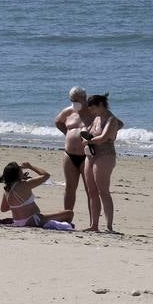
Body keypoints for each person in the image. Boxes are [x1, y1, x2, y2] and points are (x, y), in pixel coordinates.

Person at [81, 93, 123, 232]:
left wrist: (89, 141)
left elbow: (103, 137)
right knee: (91, 191)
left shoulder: (111, 119)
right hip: (91, 155)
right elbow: (88, 131)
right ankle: (94, 225)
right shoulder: (97, 118)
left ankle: (109, 226)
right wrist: (84, 134)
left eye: (93, 108)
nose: (91, 112)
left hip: (105, 155)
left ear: (101, 105)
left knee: (103, 191)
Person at [53, 86, 91, 224]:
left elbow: (109, 123)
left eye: (76, 100)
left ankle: (93, 222)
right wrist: (68, 134)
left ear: (84, 98)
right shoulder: (68, 111)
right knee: (70, 187)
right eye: (72, 100)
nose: (74, 103)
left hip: (86, 155)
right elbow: (58, 122)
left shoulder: (93, 112)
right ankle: (66, 219)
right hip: (69, 154)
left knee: (90, 189)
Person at [0, 161, 73, 228]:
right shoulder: (25, 185)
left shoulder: (7, 189)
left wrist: (19, 205)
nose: (22, 172)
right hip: (32, 220)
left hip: (18, 221)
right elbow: (46, 175)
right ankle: (64, 228)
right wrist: (30, 166)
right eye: (21, 170)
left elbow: (3, 209)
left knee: (55, 215)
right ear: (17, 174)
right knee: (69, 213)